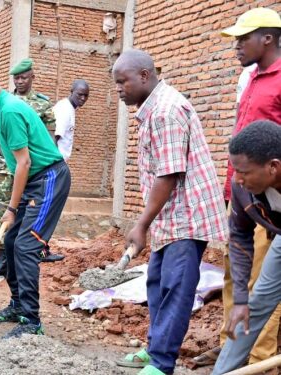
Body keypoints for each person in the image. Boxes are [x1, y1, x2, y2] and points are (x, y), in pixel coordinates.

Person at [111, 49, 227, 375]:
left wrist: (141, 224)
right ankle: (154, 351)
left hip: (187, 216)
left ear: (145, 76)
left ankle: (161, 364)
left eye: (123, 82)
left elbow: (169, 174)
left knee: (176, 288)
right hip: (170, 215)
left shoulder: (166, 111)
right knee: (157, 283)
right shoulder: (152, 109)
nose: (119, 89)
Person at [195, 8, 281, 369]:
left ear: (268, 38)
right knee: (249, 291)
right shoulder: (249, 79)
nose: (237, 46)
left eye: (243, 38)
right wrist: (243, 184)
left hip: (270, 184)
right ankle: (229, 365)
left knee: (265, 284)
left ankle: (260, 361)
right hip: (258, 194)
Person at [0, 70, 71, 339]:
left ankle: (31, 320)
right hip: (33, 179)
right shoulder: (1, 113)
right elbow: (19, 165)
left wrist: (12, 209)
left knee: (26, 246)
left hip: (48, 178)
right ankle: (17, 304)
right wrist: (15, 206)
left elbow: (24, 162)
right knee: (11, 242)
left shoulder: (10, 112)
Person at [0, 59, 63, 276]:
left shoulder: (33, 105)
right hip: (7, 170)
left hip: (32, 172)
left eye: (23, 77)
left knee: (27, 226)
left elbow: (47, 138)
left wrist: (50, 166)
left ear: (32, 77)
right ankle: (3, 260)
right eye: (16, 77)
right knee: (3, 217)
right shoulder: (2, 103)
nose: (19, 81)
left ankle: (34, 255)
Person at [212, 121, 281, 374]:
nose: (237, 179)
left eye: (244, 172)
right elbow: (240, 236)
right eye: (235, 170)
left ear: (273, 167)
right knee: (256, 303)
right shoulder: (243, 191)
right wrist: (240, 299)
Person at [53, 79, 89, 162]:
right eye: (80, 94)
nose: (83, 98)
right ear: (72, 92)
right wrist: (55, 164)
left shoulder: (70, 108)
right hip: (56, 162)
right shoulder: (64, 109)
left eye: (86, 95)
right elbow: (54, 137)